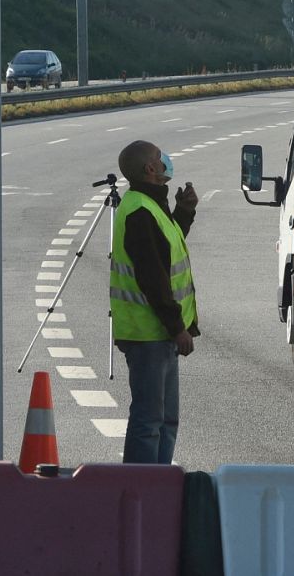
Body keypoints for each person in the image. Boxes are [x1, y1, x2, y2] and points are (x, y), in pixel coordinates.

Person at [110, 139, 199, 464]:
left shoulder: (150, 203)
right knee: (149, 421)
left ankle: (158, 487)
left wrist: (184, 212)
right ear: (150, 168)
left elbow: (165, 249)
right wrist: (177, 327)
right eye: (160, 158)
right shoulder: (139, 211)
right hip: (149, 333)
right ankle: (142, 490)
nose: (166, 161)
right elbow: (153, 278)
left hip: (157, 333)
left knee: (165, 421)